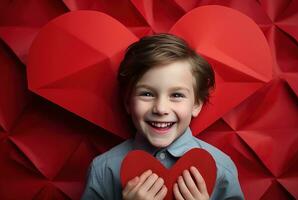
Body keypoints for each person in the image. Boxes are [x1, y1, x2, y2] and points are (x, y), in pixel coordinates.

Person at [81, 33, 244, 200]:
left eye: (177, 95)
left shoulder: (222, 169)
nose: (161, 108)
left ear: (196, 105)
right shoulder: (103, 170)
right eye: (146, 94)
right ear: (128, 103)